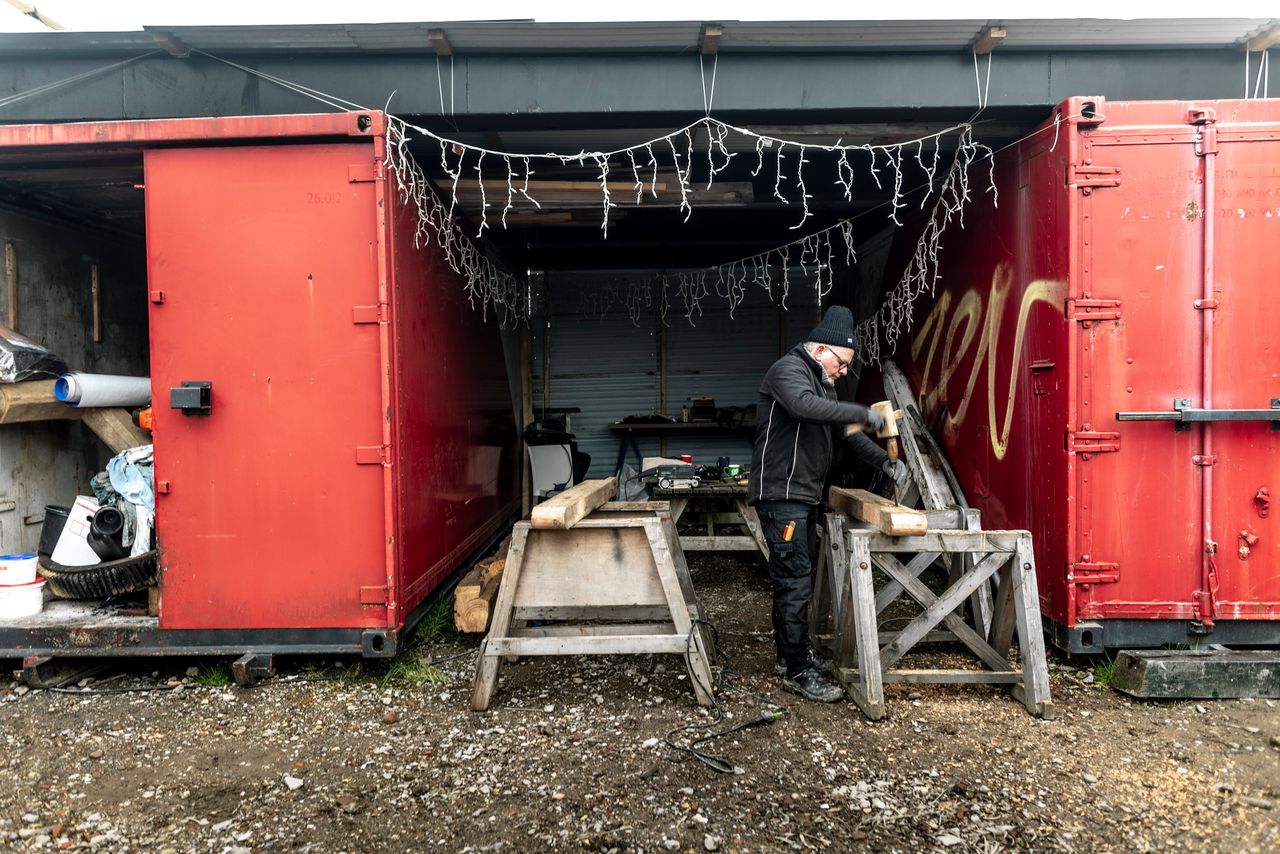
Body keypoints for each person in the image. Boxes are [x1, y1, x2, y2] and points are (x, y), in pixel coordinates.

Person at [747, 304, 907, 703]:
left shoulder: (825, 384)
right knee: (794, 579)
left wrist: (887, 466)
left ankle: (791, 657)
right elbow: (806, 408)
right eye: (842, 363)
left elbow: (846, 434)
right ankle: (798, 670)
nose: (843, 372)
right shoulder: (788, 372)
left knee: (799, 576)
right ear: (820, 350)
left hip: (804, 495)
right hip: (780, 495)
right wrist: (866, 414)